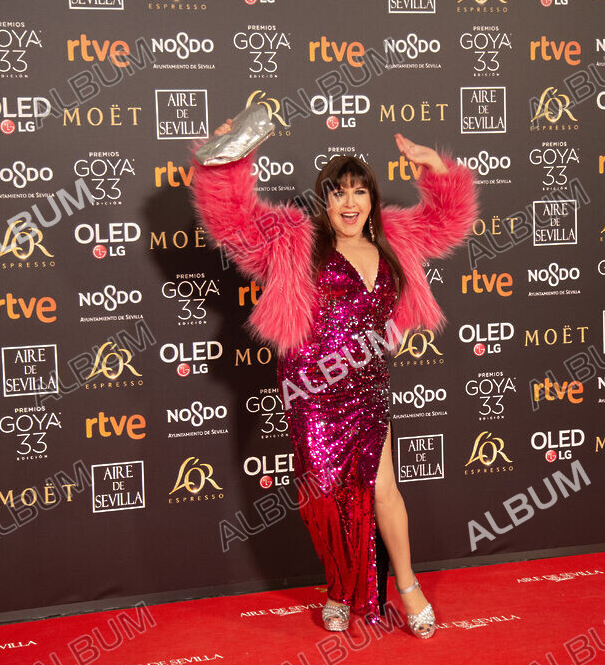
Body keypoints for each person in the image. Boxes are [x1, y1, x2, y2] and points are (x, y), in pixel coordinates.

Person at [189, 121, 478, 638]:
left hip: (367, 384)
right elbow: (234, 223)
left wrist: (437, 169)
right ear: (324, 201)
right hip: (312, 389)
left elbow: (447, 223)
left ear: (372, 200)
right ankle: (339, 588)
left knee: (383, 489)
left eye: (359, 192)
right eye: (338, 192)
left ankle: (408, 587)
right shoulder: (294, 243)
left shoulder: (396, 240)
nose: (350, 202)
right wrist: (227, 160)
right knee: (324, 496)